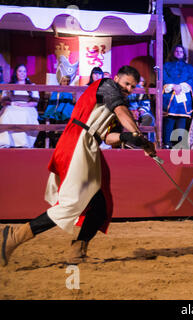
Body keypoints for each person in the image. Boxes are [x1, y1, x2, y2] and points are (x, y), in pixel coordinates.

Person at [1, 65, 156, 266]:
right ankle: (15, 236)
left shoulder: (119, 99)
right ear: (117, 78)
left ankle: (78, 251)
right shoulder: (108, 85)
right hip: (77, 141)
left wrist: (131, 138)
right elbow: (120, 110)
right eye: (126, 83)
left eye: (132, 87)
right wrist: (140, 137)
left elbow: (108, 138)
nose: (128, 88)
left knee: (100, 205)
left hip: (89, 144)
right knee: (72, 203)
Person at [162, 45, 193, 149]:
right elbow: (164, 77)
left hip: (183, 98)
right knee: (169, 120)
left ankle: (180, 144)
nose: (178, 52)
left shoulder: (189, 67)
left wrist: (181, 87)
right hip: (170, 97)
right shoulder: (166, 65)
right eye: (176, 51)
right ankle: (167, 143)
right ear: (173, 53)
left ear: (184, 54)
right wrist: (173, 86)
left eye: (181, 51)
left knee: (181, 121)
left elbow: (192, 80)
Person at [0, 64, 40, 148]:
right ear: (16, 73)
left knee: (25, 114)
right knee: (7, 114)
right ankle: (6, 142)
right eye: (20, 71)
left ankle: (23, 143)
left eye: (24, 71)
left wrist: (24, 105)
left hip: (27, 107)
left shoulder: (31, 86)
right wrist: (12, 104)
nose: (22, 73)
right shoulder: (10, 86)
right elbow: (4, 101)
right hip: (12, 106)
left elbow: (35, 102)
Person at [42, 75, 76, 147]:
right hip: (56, 113)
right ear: (60, 81)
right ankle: (54, 144)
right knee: (51, 124)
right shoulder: (56, 91)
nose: (66, 83)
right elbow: (52, 105)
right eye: (64, 81)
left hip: (67, 114)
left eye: (68, 81)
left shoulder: (72, 91)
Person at [128, 76, 156, 142]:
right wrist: (130, 112)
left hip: (139, 111)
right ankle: (129, 140)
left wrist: (140, 111)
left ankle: (142, 139)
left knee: (148, 117)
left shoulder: (141, 89)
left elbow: (146, 103)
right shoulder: (123, 88)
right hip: (126, 111)